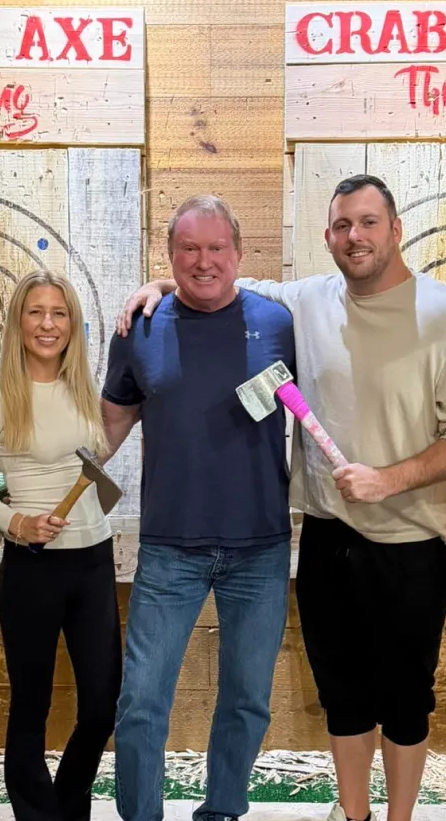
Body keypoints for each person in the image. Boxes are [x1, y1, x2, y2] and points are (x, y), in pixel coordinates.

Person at [117, 175, 446, 821]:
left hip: (402, 538)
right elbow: (210, 285)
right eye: (342, 225)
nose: (355, 236)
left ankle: (385, 817)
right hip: (320, 533)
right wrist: (159, 286)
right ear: (328, 236)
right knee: (340, 693)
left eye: (368, 222)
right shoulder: (302, 303)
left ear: (395, 229)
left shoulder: (444, 313)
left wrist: (389, 479)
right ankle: (351, 812)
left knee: (398, 695)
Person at [102, 195, 296, 821]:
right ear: (170, 255)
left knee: (246, 699)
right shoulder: (139, 328)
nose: (203, 261)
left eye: (216, 248)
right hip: (169, 548)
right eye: (188, 249)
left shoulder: (278, 321)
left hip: (260, 547)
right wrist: (44, 488)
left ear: (239, 254)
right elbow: (108, 429)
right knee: (141, 701)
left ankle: (222, 811)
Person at [0, 270, 121, 821]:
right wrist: (16, 523)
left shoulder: (86, 388)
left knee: (102, 705)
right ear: (17, 321)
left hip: (93, 560)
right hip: (33, 566)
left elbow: (95, 466)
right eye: (35, 312)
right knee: (31, 705)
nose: (47, 324)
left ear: (73, 324)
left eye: (59, 313)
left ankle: (64, 806)